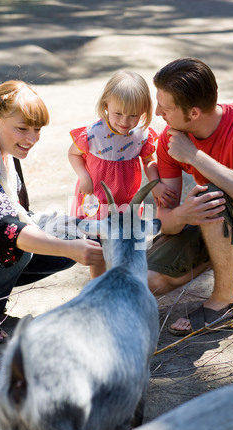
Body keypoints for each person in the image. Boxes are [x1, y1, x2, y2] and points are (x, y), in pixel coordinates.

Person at [0, 80, 103, 344]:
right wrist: (66, 247)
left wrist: (67, 243)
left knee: (74, 233)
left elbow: (14, 208)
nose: (31, 139)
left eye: (37, 129)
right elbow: (5, 229)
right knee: (20, 244)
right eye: (22, 129)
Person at [146, 57, 233, 336]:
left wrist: (194, 156)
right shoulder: (171, 141)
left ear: (192, 113)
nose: (157, 113)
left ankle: (225, 302)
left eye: (165, 108)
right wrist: (182, 214)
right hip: (219, 223)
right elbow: (165, 222)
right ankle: (232, 260)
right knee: (147, 281)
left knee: (211, 195)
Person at [68, 70, 176, 278]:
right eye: (118, 113)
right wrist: (84, 177)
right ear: (106, 104)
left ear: (143, 111)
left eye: (133, 115)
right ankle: (98, 282)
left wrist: (156, 183)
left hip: (127, 199)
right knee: (98, 243)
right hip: (97, 198)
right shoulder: (93, 134)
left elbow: (148, 160)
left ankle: (120, 277)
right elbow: (73, 154)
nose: (125, 121)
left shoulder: (141, 135)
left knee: (125, 240)